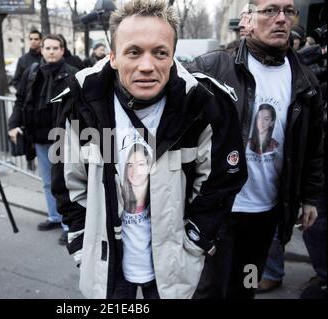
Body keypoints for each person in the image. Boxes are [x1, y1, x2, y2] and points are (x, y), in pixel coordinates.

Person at [51, 0, 247, 299]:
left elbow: (221, 183)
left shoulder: (205, 104)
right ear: (113, 57)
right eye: (133, 52)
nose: (147, 65)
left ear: (172, 56)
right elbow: (67, 185)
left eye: (159, 52)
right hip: (108, 269)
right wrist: (80, 243)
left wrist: (195, 242)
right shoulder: (80, 103)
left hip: (173, 267)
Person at [188, 0, 324, 299]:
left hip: (266, 211)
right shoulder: (213, 67)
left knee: (246, 284)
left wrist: (310, 197)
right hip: (218, 207)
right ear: (247, 20)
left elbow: (313, 145)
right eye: (270, 10)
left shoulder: (304, 80)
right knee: (208, 289)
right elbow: (180, 127)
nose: (280, 19)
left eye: (288, 11)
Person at [8, 34, 78, 245]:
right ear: (42, 50)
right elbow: (20, 100)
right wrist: (13, 124)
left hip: (62, 138)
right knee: (48, 182)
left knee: (64, 182)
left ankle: (69, 225)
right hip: (38, 136)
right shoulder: (32, 71)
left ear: (62, 50)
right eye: (47, 48)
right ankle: (54, 217)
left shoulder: (72, 73)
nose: (51, 51)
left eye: (56, 47)